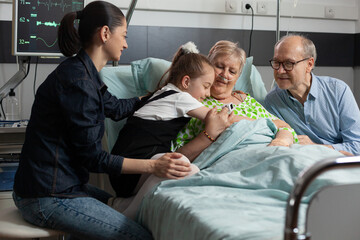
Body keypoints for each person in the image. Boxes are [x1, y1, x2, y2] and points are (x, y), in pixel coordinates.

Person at [12, 2, 194, 239]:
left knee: (122, 206)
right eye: (124, 36)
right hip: (45, 195)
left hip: (62, 185)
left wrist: (158, 95)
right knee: (139, 236)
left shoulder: (84, 74)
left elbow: (117, 108)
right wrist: (154, 166)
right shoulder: (79, 83)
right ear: (105, 33)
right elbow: (94, 159)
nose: (126, 44)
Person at [109, 41, 241, 197]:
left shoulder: (164, 92)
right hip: (134, 166)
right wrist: (260, 121)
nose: (207, 94)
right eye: (206, 86)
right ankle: (126, 211)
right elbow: (218, 117)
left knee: (177, 166)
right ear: (186, 82)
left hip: (120, 170)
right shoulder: (181, 98)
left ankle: (125, 205)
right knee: (187, 168)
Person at [172, 40, 298, 161]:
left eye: (232, 71)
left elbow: (285, 127)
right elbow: (178, 155)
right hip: (234, 159)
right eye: (219, 66)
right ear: (207, 66)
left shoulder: (246, 100)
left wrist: (280, 142)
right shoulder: (194, 102)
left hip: (270, 153)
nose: (225, 75)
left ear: (238, 77)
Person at [264, 34, 360, 156]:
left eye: (289, 63)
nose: (280, 71)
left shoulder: (338, 91)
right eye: (276, 62)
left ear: (309, 65)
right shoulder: (272, 102)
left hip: (339, 163)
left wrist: (316, 148)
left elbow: (357, 145)